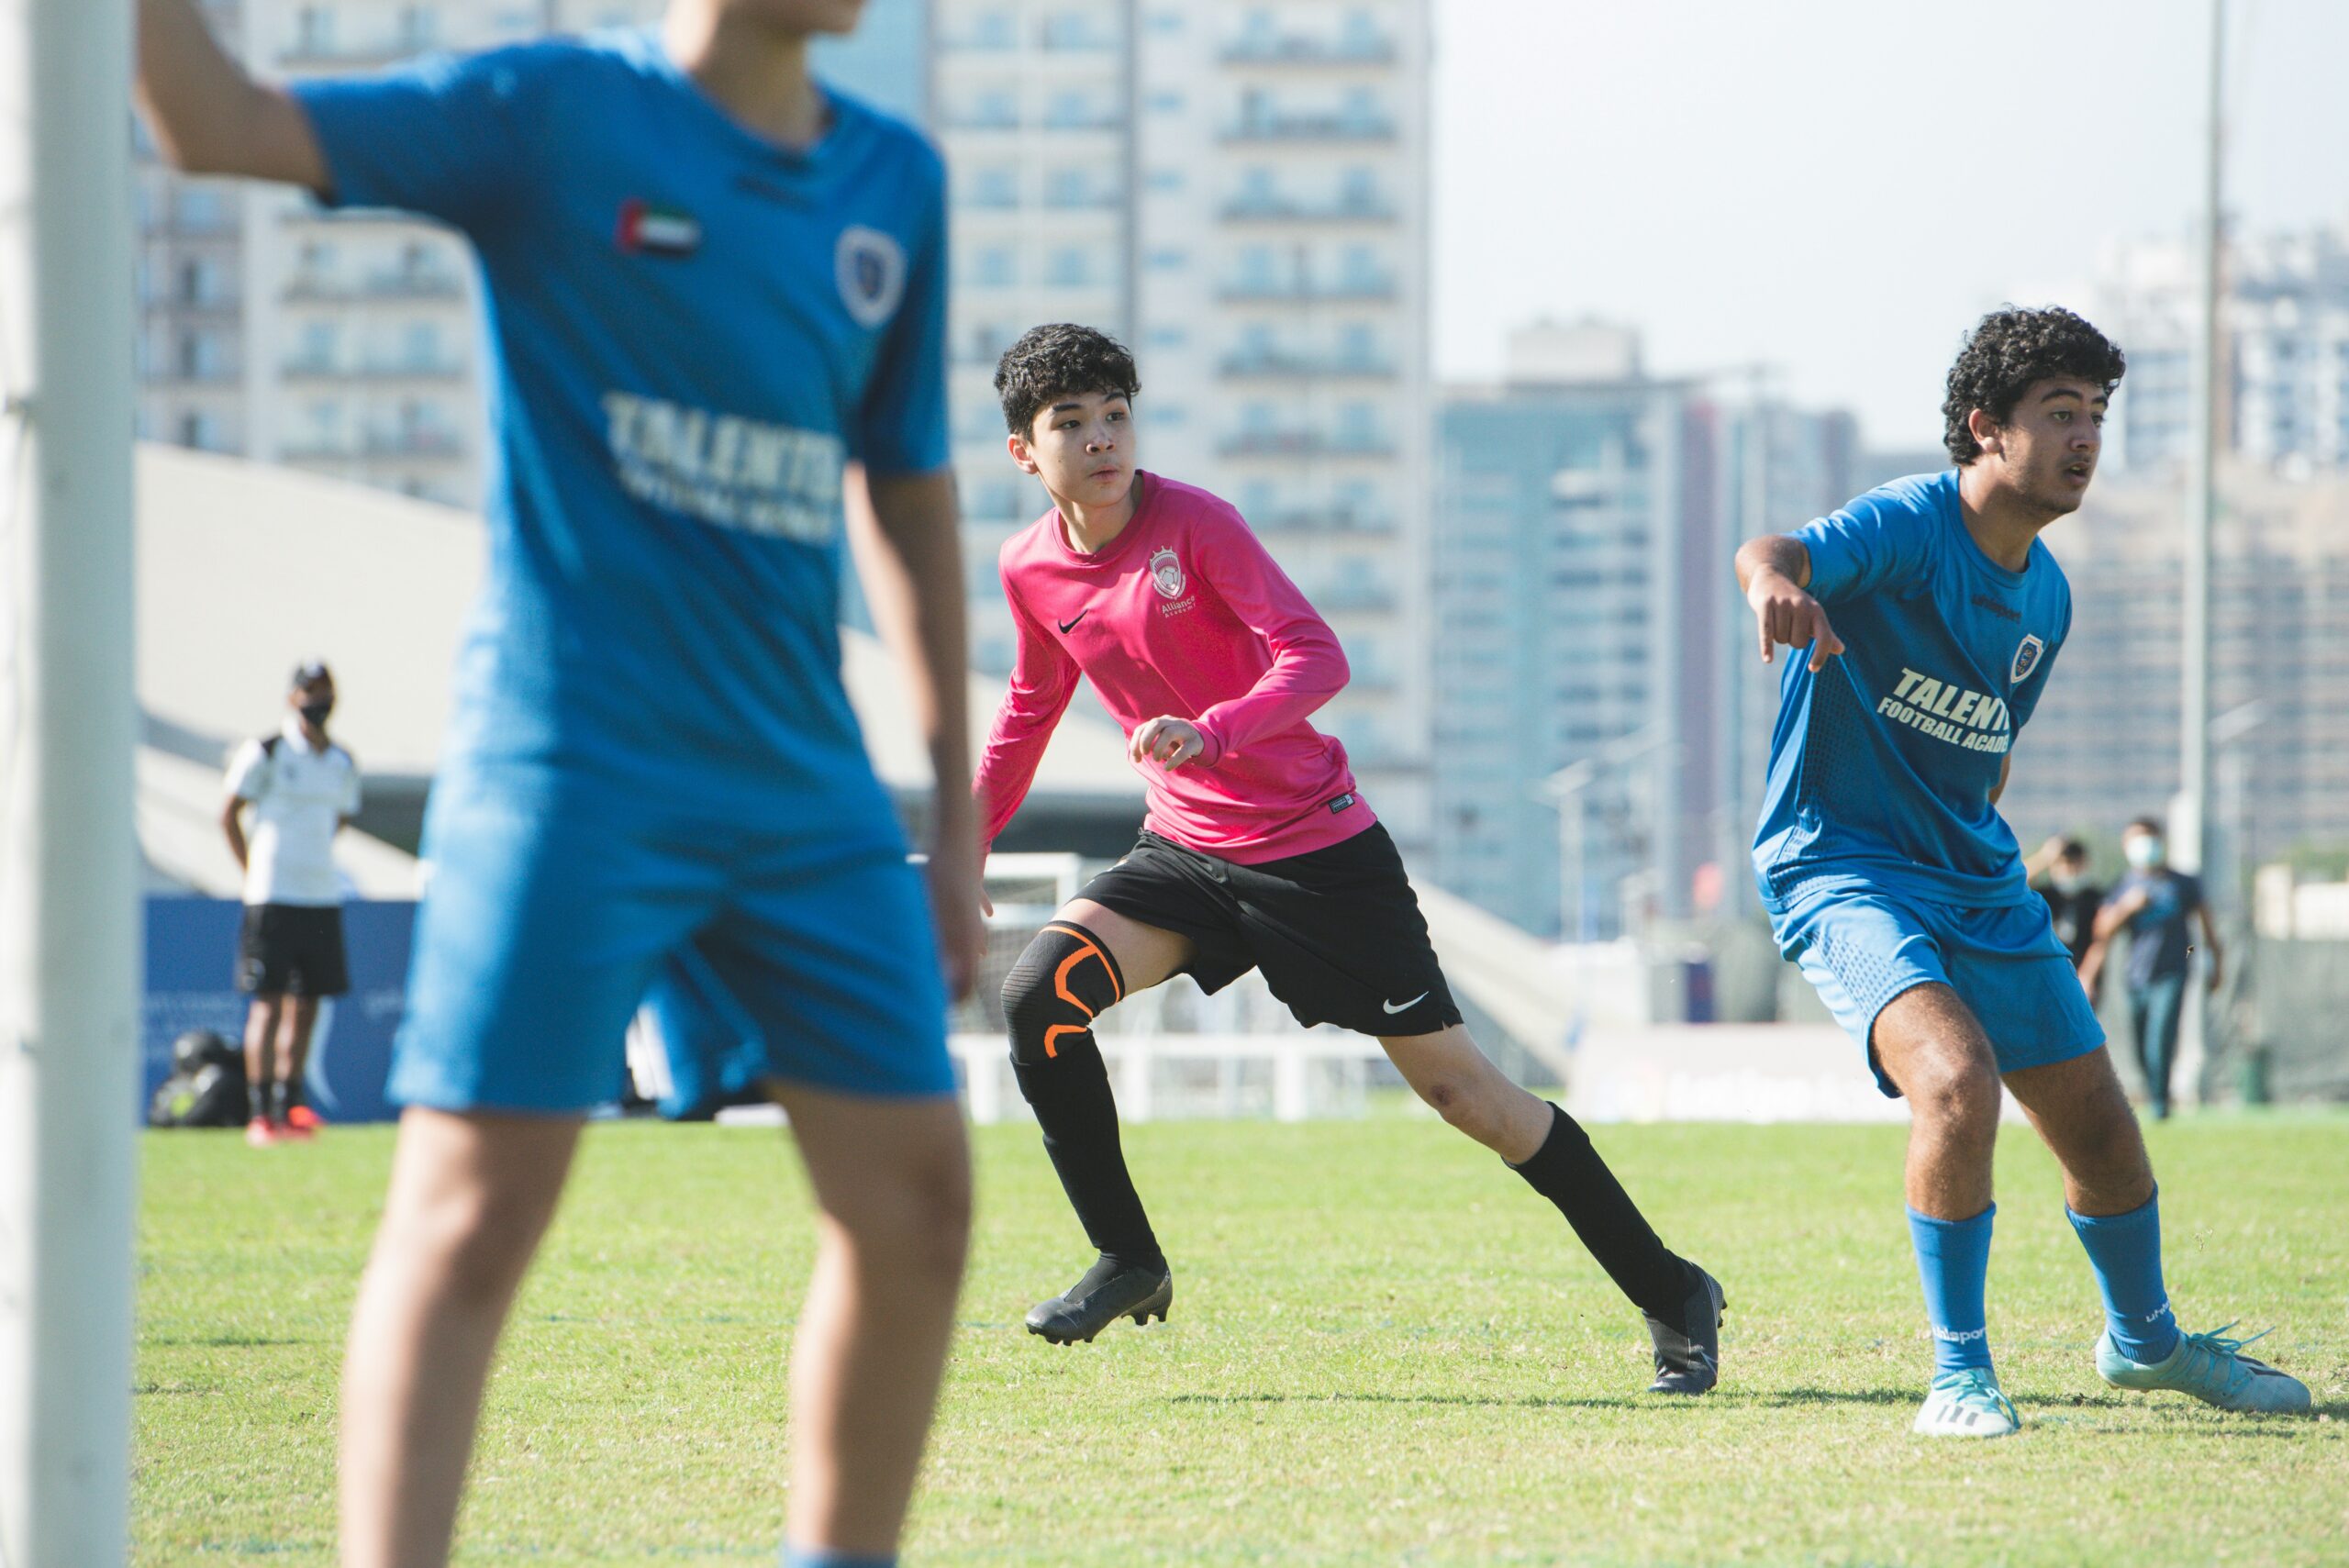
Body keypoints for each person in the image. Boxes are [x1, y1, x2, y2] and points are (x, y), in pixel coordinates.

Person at [138, 2, 985, 1564]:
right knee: (470, 1218)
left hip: (805, 784)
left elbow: (911, 493)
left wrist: (954, 809)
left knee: (919, 1203)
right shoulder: (550, 113)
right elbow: (215, 121)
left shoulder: (895, 180)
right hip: (573, 765)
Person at [973, 324, 1726, 1393]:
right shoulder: (1027, 567)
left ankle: (1670, 1289)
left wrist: (1214, 728)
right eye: (1071, 424)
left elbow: (1316, 653)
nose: (1101, 439)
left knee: (1470, 1097)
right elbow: (1027, 710)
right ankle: (1129, 1258)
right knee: (1036, 998)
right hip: (1184, 851)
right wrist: (966, 848)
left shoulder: (1198, 523)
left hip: (1317, 854)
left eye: (1115, 415)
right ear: (1023, 451)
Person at [1734, 306, 2309, 1438]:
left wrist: (1980, 855)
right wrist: (1772, 592)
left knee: (2098, 1124)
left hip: (1976, 879)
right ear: (1983, 428)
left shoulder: (2046, 595)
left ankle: (2143, 1343)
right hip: (1838, 866)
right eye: (2058, 414)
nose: (2085, 437)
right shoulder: (1910, 522)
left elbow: (1983, 760)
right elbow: (1774, 552)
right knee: (1953, 1080)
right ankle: (1958, 1373)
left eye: (2096, 414)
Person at [220, 660, 360, 1146]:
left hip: (320, 898)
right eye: (310, 693)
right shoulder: (267, 752)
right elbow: (229, 814)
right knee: (268, 1004)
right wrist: (252, 871)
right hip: (272, 898)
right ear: (292, 698)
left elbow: (339, 820)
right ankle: (261, 1114)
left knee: (308, 1006)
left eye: (325, 692)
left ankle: (292, 1104)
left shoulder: (341, 761)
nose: (318, 703)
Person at [2093, 817, 2222, 1120]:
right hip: (2135, 975)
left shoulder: (2183, 883)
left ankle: (2161, 1106)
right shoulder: (2123, 884)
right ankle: (2153, 1092)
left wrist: (2217, 963)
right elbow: (2101, 930)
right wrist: (2127, 907)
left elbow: (2207, 925)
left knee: (2160, 1038)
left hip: (2175, 969)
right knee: (2141, 1044)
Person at [2023, 835, 2102, 976]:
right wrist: (2044, 857)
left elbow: (2100, 940)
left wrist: (2088, 975)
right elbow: (2017, 882)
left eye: (2073, 863)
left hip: (2081, 973)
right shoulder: (2045, 895)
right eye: (2062, 863)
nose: (2067, 869)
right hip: (2047, 971)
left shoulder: (2094, 897)